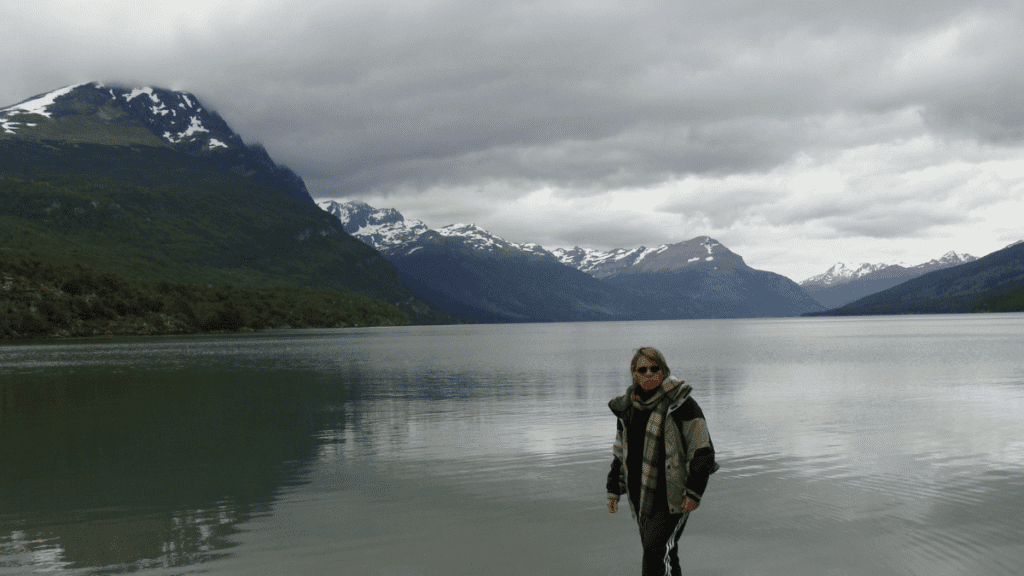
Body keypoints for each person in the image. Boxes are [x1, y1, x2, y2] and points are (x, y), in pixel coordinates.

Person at [606, 347, 717, 576]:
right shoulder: (627, 408)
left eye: (654, 368)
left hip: (673, 496)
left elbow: (702, 450)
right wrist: (614, 490)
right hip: (642, 495)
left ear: (664, 371)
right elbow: (620, 452)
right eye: (642, 369)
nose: (648, 374)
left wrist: (694, 491)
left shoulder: (682, 404)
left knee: (654, 555)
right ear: (634, 374)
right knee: (664, 553)